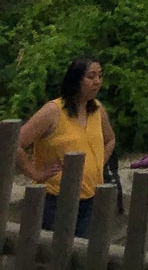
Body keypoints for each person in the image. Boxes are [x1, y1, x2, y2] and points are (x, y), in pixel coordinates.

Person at [18, 55, 115, 237]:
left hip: (91, 198)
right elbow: (15, 145)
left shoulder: (97, 110)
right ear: (77, 80)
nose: (97, 82)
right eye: (91, 77)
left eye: (100, 76)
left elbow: (110, 140)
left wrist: (97, 163)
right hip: (57, 199)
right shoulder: (53, 111)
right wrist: (35, 173)